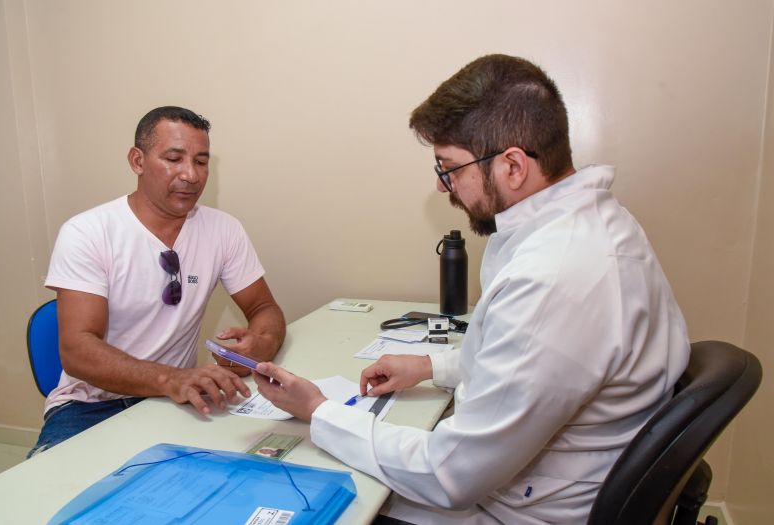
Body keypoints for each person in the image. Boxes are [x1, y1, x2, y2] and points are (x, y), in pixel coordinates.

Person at [252, 55, 690, 524]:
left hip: (518, 510)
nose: (444, 187)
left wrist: (320, 412)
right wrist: (429, 365)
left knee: (309, 495)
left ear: (513, 167)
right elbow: (532, 360)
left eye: (450, 168)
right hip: (543, 477)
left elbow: (449, 474)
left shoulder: (555, 277)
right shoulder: (597, 225)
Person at [29, 106, 286, 456]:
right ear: (137, 161)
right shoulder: (88, 232)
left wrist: (258, 346)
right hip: (90, 408)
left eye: (201, 161)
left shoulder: (223, 229)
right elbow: (77, 350)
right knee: (54, 497)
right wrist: (171, 379)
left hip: (176, 401)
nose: (191, 175)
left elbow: (263, 307)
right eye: (174, 158)